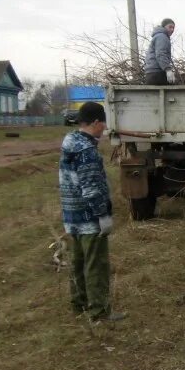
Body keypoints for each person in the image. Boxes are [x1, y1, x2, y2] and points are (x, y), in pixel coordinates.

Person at [59, 101, 123, 322]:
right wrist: (102, 215)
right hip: (89, 218)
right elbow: (91, 188)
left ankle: (79, 304)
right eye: (103, 124)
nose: (104, 129)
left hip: (72, 216)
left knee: (77, 262)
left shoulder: (70, 142)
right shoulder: (87, 151)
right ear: (96, 122)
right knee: (96, 264)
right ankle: (99, 311)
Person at [144, 18, 176, 85]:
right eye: (170, 27)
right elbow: (161, 54)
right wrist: (168, 69)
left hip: (151, 73)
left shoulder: (159, 36)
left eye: (173, 28)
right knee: (174, 89)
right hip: (157, 73)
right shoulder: (162, 37)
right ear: (164, 27)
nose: (172, 30)